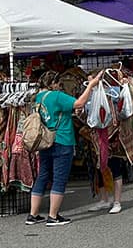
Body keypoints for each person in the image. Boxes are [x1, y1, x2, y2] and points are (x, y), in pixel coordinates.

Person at [26, 71, 104, 226]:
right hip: (62, 139)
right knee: (59, 178)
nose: (59, 86)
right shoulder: (56, 96)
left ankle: (33, 215)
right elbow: (79, 103)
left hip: (45, 141)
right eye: (58, 83)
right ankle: (53, 216)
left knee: (43, 175)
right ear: (53, 83)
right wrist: (91, 86)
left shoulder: (38, 97)